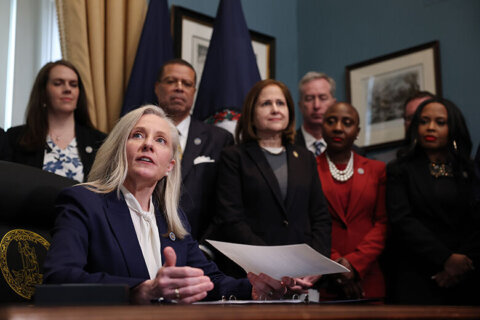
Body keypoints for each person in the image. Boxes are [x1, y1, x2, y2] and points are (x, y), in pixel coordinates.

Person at [43, 105, 289, 304]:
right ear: (119, 149)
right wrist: (140, 290)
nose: (148, 144)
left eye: (160, 140)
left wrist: (255, 287)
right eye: (138, 135)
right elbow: (60, 277)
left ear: (169, 167)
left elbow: (208, 279)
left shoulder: (172, 219)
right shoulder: (83, 202)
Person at [212, 79, 331, 289]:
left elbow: (320, 216)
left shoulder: (305, 157)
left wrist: (315, 265)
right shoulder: (234, 157)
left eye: (281, 103)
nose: (275, 109)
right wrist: (273, 265)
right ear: (251, 112)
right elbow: (230, 219)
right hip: (254, 275)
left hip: (303, 277)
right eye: (266, 103)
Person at [386, 97, 480, 305]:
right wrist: (446, 259)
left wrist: (462, 262)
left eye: (440, 122)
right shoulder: (399, 169)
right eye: (424, 121)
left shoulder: (469, 169)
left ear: (453, 126)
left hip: (466, 274)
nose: (430, 128)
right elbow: (402, 221)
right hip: (416, 273)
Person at [154, 59, 233, 240]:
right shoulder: (138, 134)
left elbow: (226, 204)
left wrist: (204, 248)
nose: (179, 88)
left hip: (201, 245)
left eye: (187, 84)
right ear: (157, 88)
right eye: (171, 81)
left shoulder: (219, 139)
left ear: (193, 92)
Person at [316, 102, 387, 300]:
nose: (338, 127)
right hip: (324, 278)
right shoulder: (308, 169)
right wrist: (336, 266)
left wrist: (354, 264)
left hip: (368, 275)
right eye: (331, 121)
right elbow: (308, 224)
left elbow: (382, 223)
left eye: (347, 122)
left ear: (357, 132)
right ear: (322, 127)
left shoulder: (377, 169)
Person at [7, 60, 106, 182]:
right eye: (58, 83)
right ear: (43, 92)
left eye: (73, 84)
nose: (67, 89)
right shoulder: (15, 138)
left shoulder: (100, 142)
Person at [295, 72, 336, 156]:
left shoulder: (352, 152)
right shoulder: (286, 147)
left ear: (333, 104)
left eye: (323, 98)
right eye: (309, 99)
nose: (316, 105)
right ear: (300, 106)